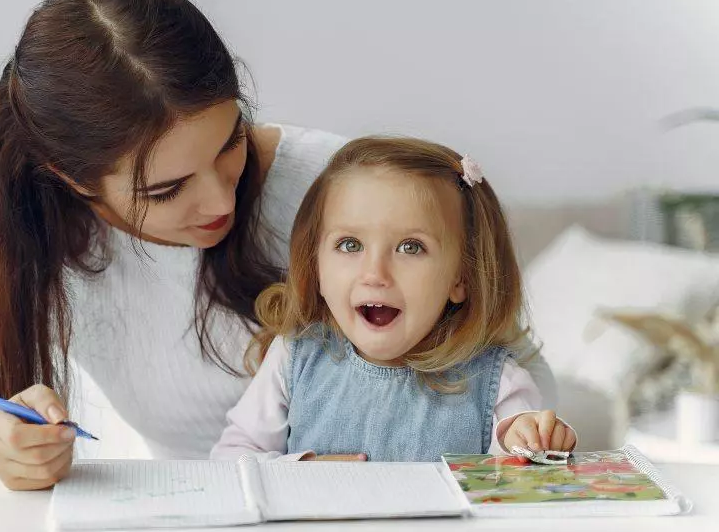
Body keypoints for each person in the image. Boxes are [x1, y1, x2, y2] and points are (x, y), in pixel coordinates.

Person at [0, 0, 555, 490]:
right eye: (164, 190)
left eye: (230, 142)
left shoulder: (345, 192)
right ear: (72, 179)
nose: (221, 196)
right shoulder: (40, 248)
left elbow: (503, 358)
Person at [211, 137, 575, 462]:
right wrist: (299, 471)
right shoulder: (294, 359)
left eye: (410, 247)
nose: (375, 273)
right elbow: (231, 458)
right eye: (349, 245)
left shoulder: (498, 382)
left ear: (461, 278)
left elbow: (522, 468)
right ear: (316, 267)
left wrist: (533, 440)